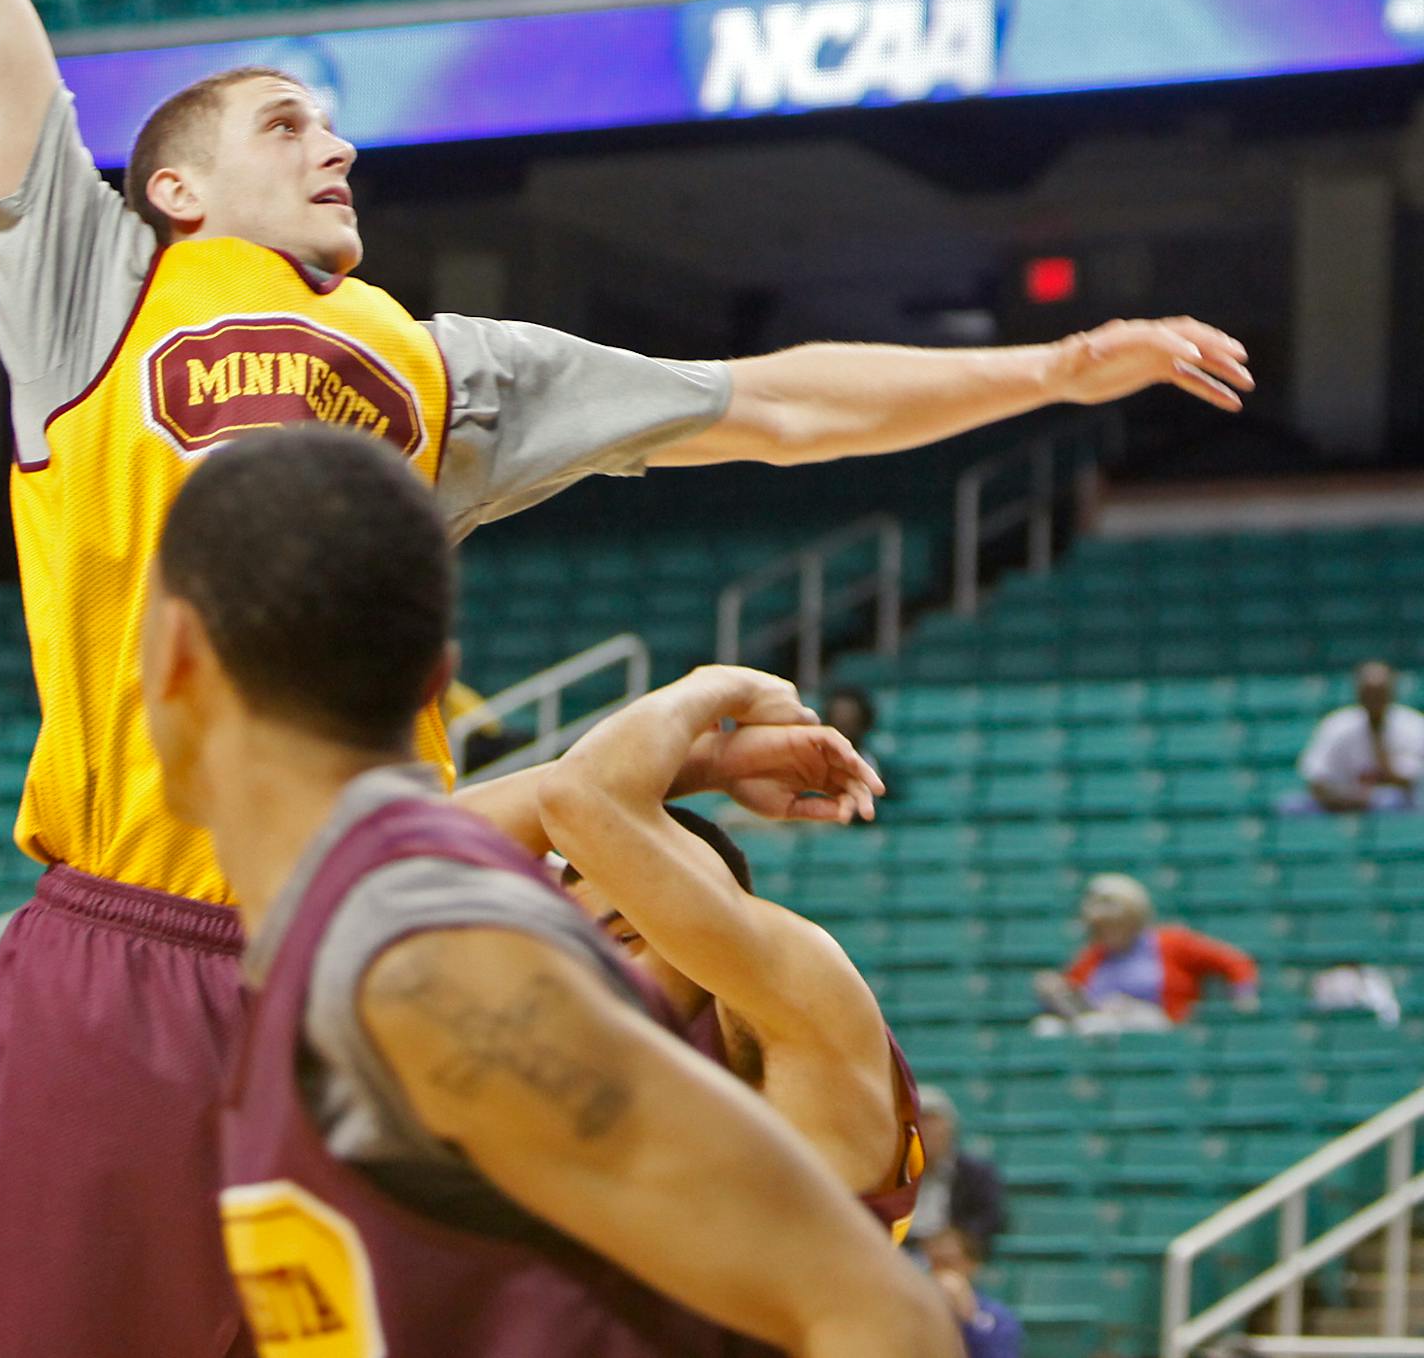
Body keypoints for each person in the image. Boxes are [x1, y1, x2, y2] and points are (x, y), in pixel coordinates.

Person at [0, 0, 1256, 1358]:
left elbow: (769, 401)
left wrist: (1048, 366)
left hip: (377, 929)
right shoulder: (92, 288)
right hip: (125, 943)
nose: (336, 143)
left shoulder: (442, 371)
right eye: (283, 121)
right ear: (173, 183)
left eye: (337, 119)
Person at [142, 427, 956, 1356]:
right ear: (439, 685)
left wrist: (711, 691)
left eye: (628, 930)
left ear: (173, 655)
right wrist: (701, 758)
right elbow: (396, 849)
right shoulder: (356, 933)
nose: (594, 958)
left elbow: (888, 1319)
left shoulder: (469, 987)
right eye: (578, 927)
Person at [461, 669, 924, 1239]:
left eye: (625, 939)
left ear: (703, 926)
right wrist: (715, 764)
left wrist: (720, 684)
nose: (592, 973)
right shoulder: (607, 1060)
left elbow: (579, 798)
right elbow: (404, 852)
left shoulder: (800, 998)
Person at [1033, 874, 1258, 1031]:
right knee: (1047, 1027)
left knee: (1099, 1026)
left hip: (1158, 1027)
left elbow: (1234, 961)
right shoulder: (1093, 957)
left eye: (1114, 923)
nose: (1108, 931)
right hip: (1101, 1027)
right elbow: (1077, 998)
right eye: (1101, 927)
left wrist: (1244, 995)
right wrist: (1057, 990)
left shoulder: (1171, 942)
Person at [1285, 661, 1424, 814]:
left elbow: (1406, 784)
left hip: (1389, 805)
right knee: (1291, 806)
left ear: (1391, 692)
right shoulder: (1337, 724)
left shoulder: (1413, 725)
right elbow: (1316, 781)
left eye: (1379, 693)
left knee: (1390, 800)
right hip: (1340, 800)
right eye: (1368, 693)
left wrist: (1377, 734)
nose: (1374, 700)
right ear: (1358, 692)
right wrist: (1352, 798)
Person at [904, 1089, 1009, 1256]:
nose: (926, 1131)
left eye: (932, 1122)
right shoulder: (891, 1178)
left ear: (950, 1128)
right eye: (919, 1122)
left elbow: (992, 1218)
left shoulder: (976, 1174)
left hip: (956, 1259)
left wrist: (957, 1239)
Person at [921, 1228, 1022, 1358]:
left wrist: (968, 1319)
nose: (941, 1274)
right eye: (934, 1264)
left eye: (949, 1263)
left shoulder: (998, 1319)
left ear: (972, 1265)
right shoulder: (914, 1315)